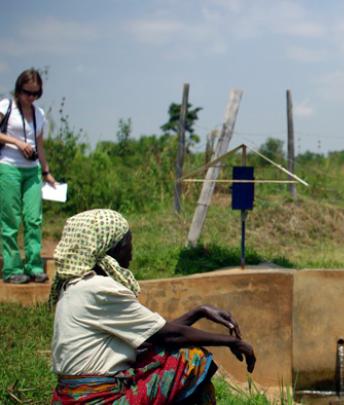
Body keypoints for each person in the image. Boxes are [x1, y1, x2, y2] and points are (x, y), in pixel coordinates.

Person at [50, 209, 256, 404]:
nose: (131, 251)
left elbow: (154, 335)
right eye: (128, 243)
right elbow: (168, 335)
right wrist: (231, 342)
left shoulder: (76, 287)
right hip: (100, 399)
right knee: (191, 357)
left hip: (71, 397)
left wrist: (199, 311)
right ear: (113, 248)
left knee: (162, 352)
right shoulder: (100, 289)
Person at [0, 68, 56, 284]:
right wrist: (18, 143)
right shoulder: (6, 106)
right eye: (27, 92)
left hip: (32, 170)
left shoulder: (39, 114)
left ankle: (34, 265)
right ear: (18, 89)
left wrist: (47, 171)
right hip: (8, 167)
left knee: (34, 219)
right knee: (10, 220)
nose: (30, 97)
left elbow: (39, 145)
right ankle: (12, 269)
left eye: (35, 94)